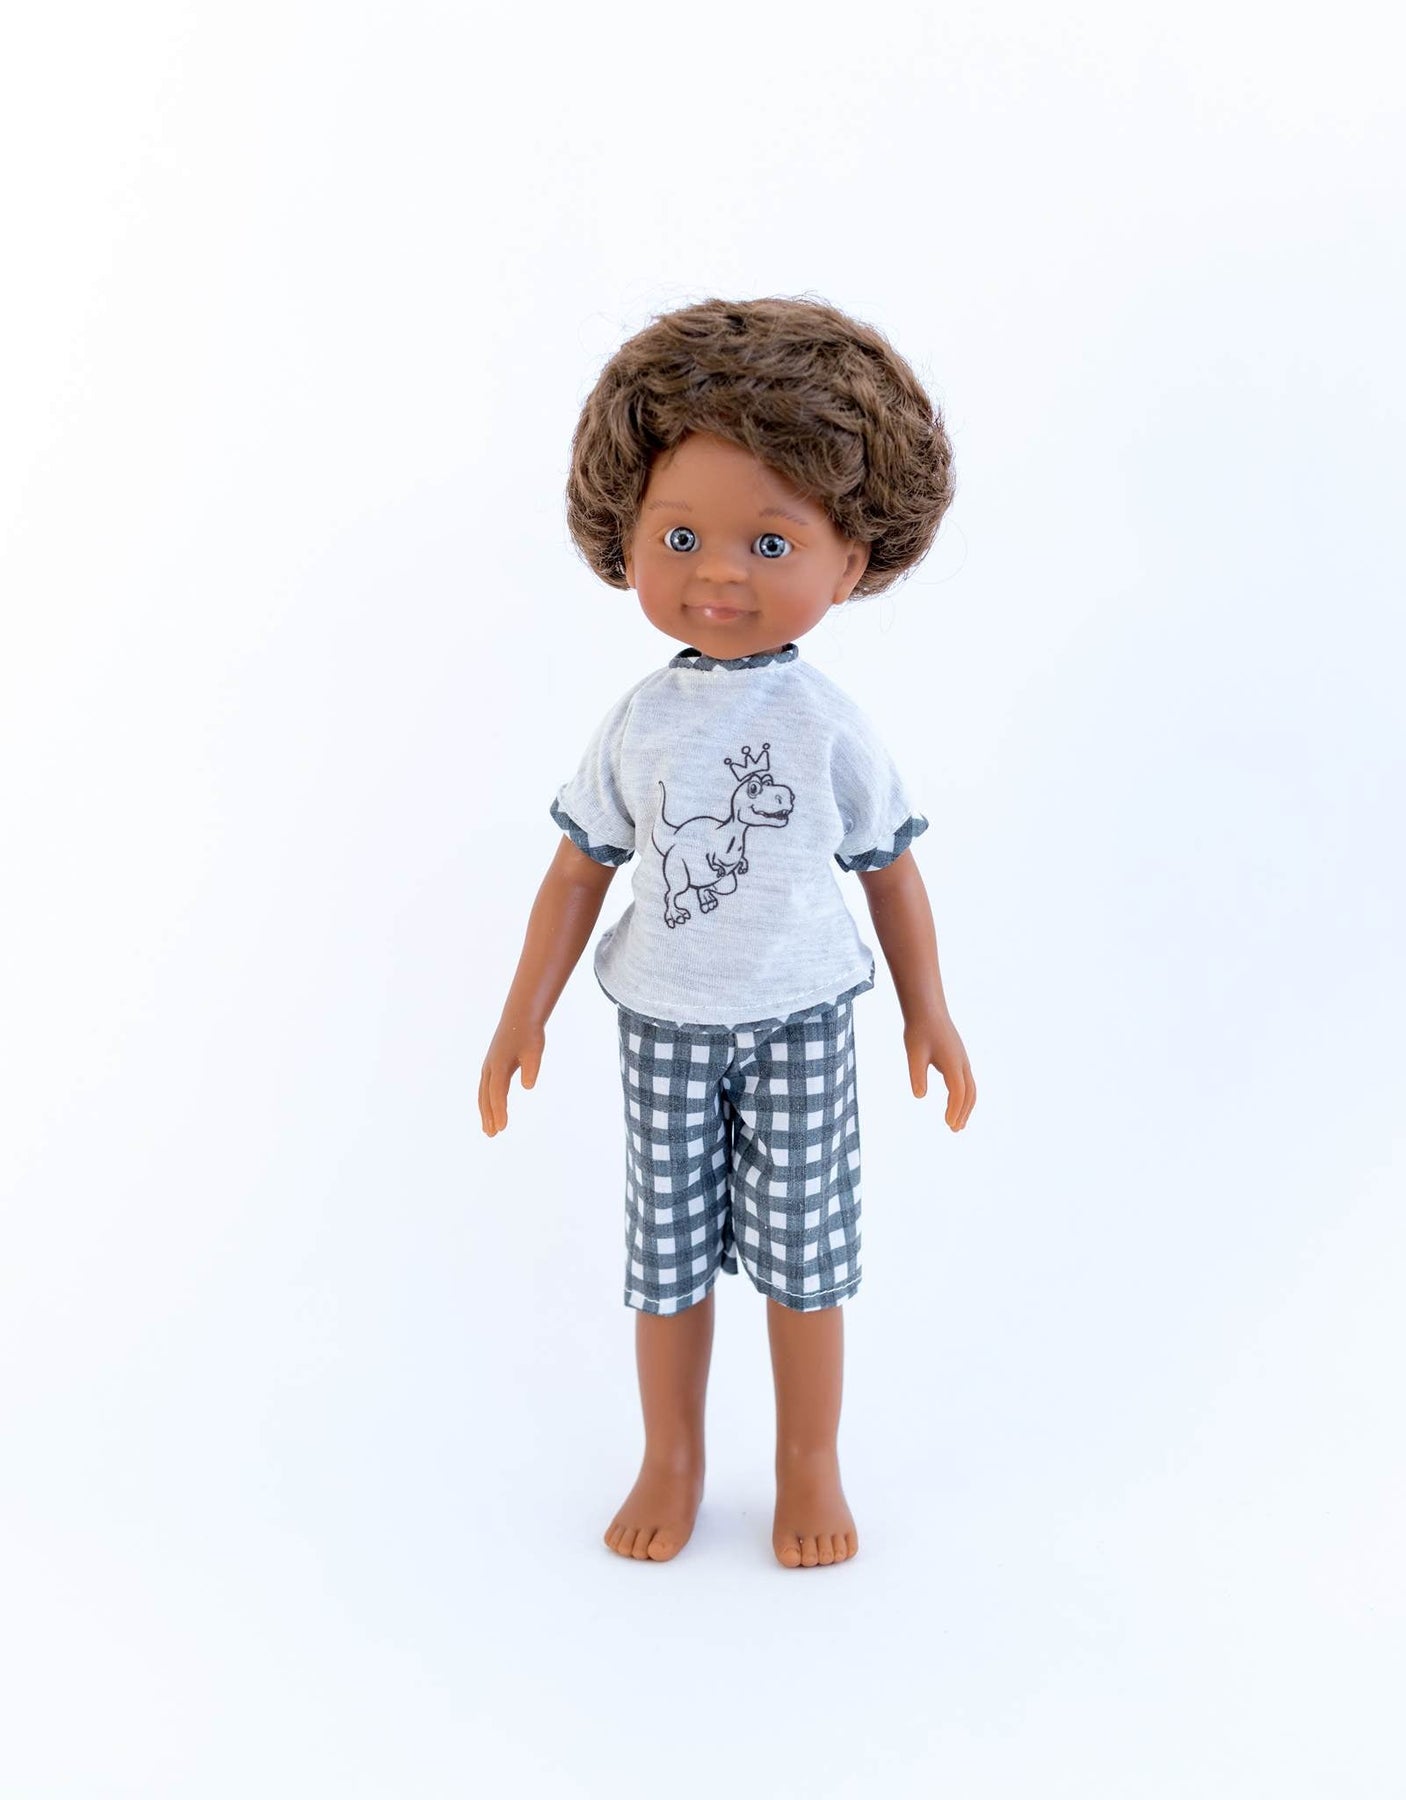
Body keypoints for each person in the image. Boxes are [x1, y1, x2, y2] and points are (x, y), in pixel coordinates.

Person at [479, 296, 976, 1569]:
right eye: (681, 536)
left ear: (848, 564)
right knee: (666, 1253)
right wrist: (521, 1013)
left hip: (801, 1019)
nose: (718, 573)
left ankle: (808, 1460)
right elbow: (578, 870)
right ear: (624, 538)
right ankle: (672, 1455)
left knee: (806, 1256)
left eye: (769, 541)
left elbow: (889, 870)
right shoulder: (639, 721)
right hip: (663, 1021)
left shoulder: (827, 724)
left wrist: (927, 1010)